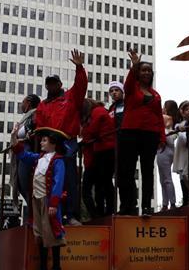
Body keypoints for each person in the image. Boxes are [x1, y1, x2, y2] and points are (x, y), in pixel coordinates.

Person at [34, 49, 87, 226]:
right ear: (46, 86)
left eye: (54, 83)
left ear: (60, 84)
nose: (51, 86)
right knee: (47, 179)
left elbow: (80, 86)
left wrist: (79, 67)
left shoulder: (70, 97)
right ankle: (47, 215)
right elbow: (39, 126)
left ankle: (70, 214)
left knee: (69, 178)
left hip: (68, 143)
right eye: (49, 83)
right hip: (49, 146)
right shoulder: (42, 105)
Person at [117, 50, 166, 215]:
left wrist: (162, 137)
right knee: (127, 170)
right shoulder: (132, 89)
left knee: (147, 171)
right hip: (130, 132)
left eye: (148, 71)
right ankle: (127, 207)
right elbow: (127, 83)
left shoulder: (156, 94)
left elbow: (159, 117)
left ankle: (146, 207)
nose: (146, 73)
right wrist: (135, 64)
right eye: (143, 70)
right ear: (138, 73)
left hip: (150, 135)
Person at [15, 128, 68, 270]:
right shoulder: (39, 157)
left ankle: (57, 267)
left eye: (44, 140)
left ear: (53, 143)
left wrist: (53, 204)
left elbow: (58, 183)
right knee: (39, 232)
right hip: (36, 200)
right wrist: (14, 137)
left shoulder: (58, 161)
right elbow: (23, 155)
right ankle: (43, 267)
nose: (41, 142)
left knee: (52, 231)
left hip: (48, 200)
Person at [80, 98, 117, 217]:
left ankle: (102, 212)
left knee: (102, 184)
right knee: (102, 184)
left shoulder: (97, 112)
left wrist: (85, 137)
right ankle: (102, 212)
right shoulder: (98, 112)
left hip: (104, 150)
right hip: (100, 151)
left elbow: (92, 130)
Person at [10, 94, 40, 209]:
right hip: (20, 151)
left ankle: (35, 213)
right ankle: (33, 212)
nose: (21, 105)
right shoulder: (27, 116)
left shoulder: (35, 113)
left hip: (27, 151)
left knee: (25, 183)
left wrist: (17, 133)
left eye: (23, 102)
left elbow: (27, 131)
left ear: (28, 103)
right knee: (21, 184)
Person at [157, 100, 180, 211]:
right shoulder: (173, 122)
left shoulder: (167, 119)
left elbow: (169, 137)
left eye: (164, 106)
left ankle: (171, 203)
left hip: (164, 149)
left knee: (166, 178)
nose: (162, 108)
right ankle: (166, 203)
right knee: (164, 179)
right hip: (166, 150)